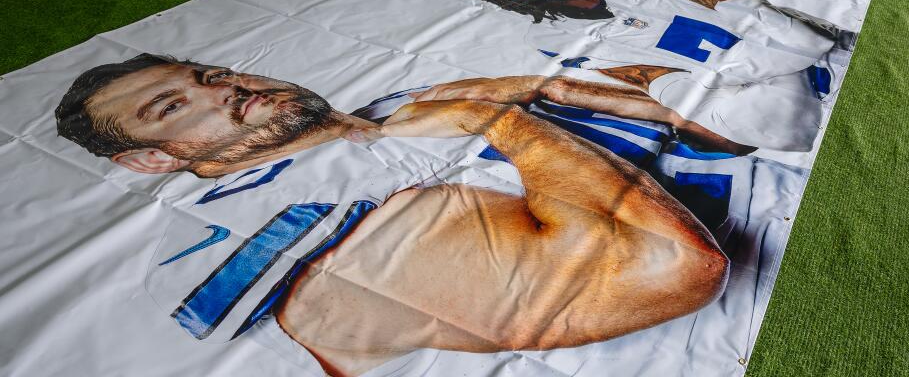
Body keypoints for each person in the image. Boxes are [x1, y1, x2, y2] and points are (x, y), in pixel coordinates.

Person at [53, 55, 731, 375]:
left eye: (206, 73)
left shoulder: (392, 108)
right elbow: (662, 266)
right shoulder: (245, 232)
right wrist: (502, 121)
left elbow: (663, 96)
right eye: (173, 107)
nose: (227, 87)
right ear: (151, 161)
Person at [409, 0, 854, 151]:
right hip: (758, 81)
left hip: (799, 58)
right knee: (764, 122)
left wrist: (755, 56)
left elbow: (734, 1)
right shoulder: (550, 40)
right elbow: (650, 78)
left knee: (793, 34)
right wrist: (758, 61)